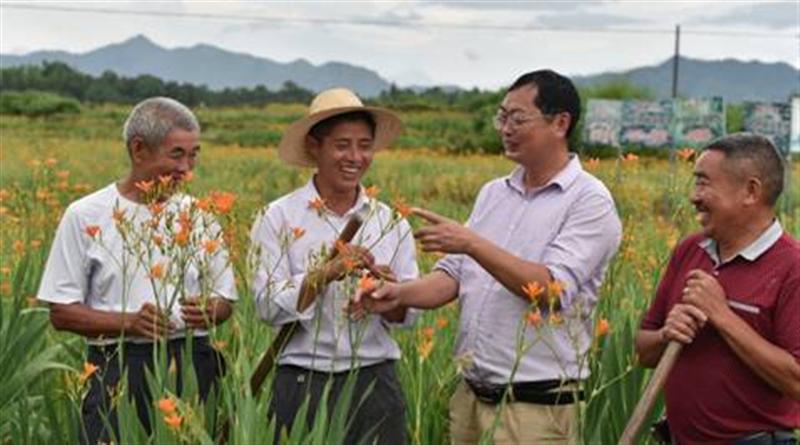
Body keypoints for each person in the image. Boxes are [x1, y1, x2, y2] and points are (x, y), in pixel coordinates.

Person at [361, 70, 622, 443]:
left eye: (518, 119)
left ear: (560, 123)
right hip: (472, 398)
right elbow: (453, 275)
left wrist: (471, 243)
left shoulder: (588, 200)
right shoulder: (494, 193)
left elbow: (550, 289)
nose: (505, 128)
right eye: (502, 117)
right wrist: (397, 293)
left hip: (535, 408)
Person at [37, 97, 237, 444]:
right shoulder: (85, 215)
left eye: (193, 155)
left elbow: (226, 299)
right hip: (118, 367)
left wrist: (210, 312)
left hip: (194, 363)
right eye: (177, 155)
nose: (187, 169)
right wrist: (130, 322)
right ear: (139, 150)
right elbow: (61, 311)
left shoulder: (200, 215)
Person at [250, 87, 418, 444]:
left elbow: (408, 316)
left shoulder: (390, 222)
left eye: (364, 145)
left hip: (375, 382)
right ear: (315, 147)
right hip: (301, 382)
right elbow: (265, 306)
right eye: (342, 145)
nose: (355, 157)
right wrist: (325, 273)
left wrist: (390, 295)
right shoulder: (277, 217)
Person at [635, 134, 799, 444]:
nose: (694, 197)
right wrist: (666, 335)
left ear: (750, 191)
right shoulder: (689, 250)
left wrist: (722, 316)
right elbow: (644, 350)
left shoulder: (792, 266)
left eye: (704, 183)